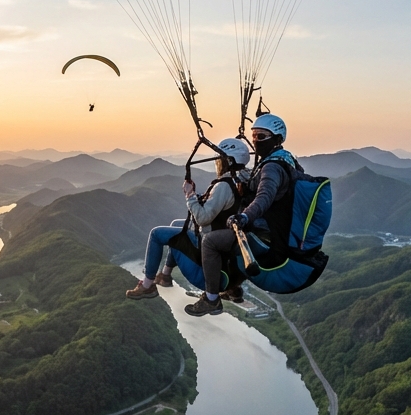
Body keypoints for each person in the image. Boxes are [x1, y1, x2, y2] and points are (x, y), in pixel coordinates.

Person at [184, 113, 296, 317]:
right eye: (253, 136)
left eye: (261, 137)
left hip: (265, 235)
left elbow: (264, 197)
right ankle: (232, 288)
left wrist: (245, 217)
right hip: (275, 231)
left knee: (210, 241)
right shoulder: (286, 161)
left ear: (278, 139)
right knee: (225, 237)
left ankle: (211, 298)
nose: (255, 141)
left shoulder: (272, 167)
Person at [125, 138, 250, 299]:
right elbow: (225, 206)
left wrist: (190, 195)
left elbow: (203, 219)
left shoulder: (224, 185)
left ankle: (147, 285)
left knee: (156, 234)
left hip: (210, 246)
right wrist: (201, 198)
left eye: (219, 160)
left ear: (227, 161)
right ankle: (165, 275)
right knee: (177, 224)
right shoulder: (245, 179)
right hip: (227, 244)